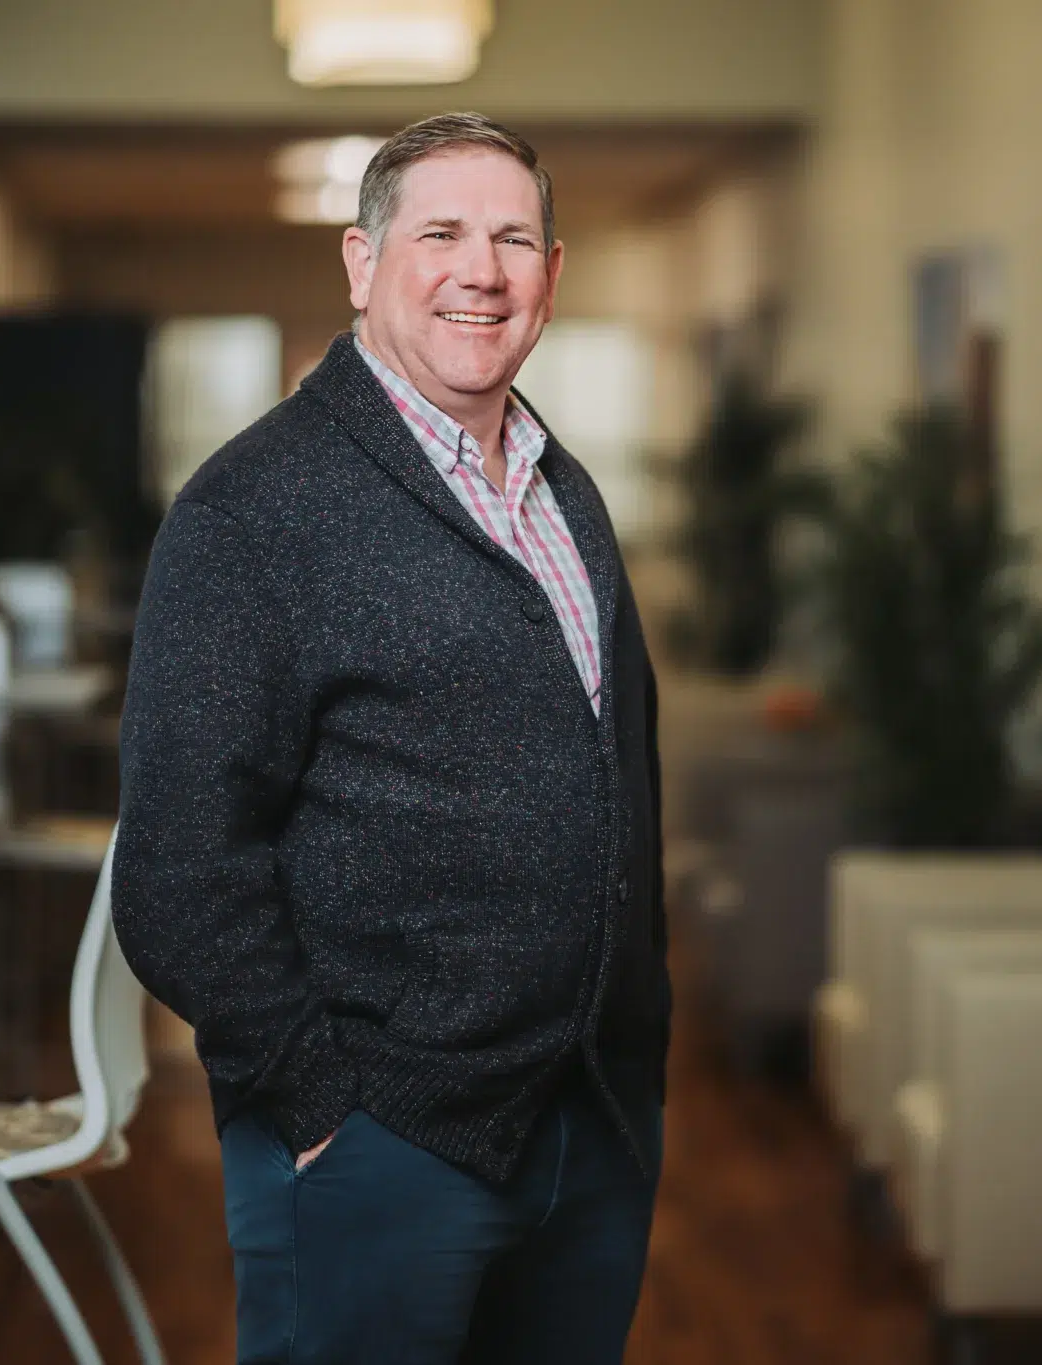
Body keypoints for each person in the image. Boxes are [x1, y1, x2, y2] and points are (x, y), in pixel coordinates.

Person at [113, 110, 669, 1364]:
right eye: (441, 234)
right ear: (362, 266)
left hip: (587, 1126)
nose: (481, 269)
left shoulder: (559, 488)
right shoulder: (249, 510)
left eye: (512, 237)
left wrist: (632, 1065)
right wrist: (323, 1107)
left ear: (551, 272)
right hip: (380, 1144)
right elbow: (176, 868)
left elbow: (615, 782)